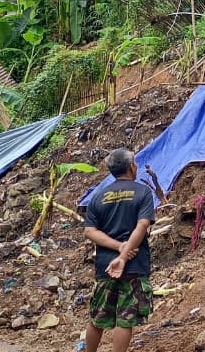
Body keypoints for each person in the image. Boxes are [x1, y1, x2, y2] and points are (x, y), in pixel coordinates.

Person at [82, 148, 155, 352]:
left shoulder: (98, 196)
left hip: (105, 266)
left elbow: (89, 231)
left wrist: (117, 247)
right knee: (125, 320)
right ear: (132, 166)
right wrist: (124, 254)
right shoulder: (142, 192)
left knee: (98, 317)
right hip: (134, 264)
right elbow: (142, 226)